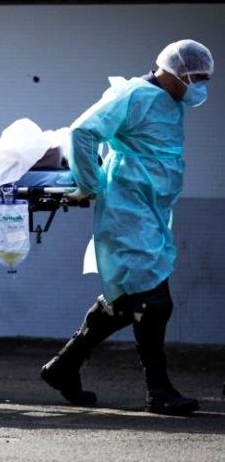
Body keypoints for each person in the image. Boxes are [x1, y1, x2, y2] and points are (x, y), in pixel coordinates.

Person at [39, 39, 214, 416]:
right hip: (127, 209)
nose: (201, 86)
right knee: (154, 301)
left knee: (123, 303)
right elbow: (83, 131)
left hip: (150, 211)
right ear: (177, 71)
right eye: (198, 77)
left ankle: (64, 366)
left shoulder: (169, 101)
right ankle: (158, 390)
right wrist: (89, 184)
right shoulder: (133, 95)